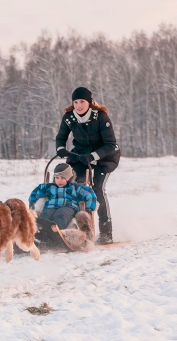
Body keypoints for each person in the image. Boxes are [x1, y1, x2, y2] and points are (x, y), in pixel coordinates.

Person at [55, 87, 120, 244]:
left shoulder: (101, 117)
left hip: (105, 158)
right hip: (81, 156)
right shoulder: (69, 117)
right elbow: (61, 137)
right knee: (73, 188)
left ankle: (106, 233)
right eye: (75, 102)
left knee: (97, 190)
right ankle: (77, 229)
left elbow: (111, 144)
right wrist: (61, 149)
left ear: (89, 102)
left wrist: (92, 156)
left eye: (82, 101)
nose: (79, 105)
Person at [29, 163, 97, 230]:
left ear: (69, 178)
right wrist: (32, 203)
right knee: (45, 215)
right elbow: (35, 192)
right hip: (51, 206)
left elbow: (90, 195)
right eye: (57, 178)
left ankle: (56, 233)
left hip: (68, 207)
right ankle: (40, 233)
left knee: (61, 214)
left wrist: (89, 209)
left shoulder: (75, 187)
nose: (59, 181)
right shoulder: (49, 187)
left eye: (62, 178)